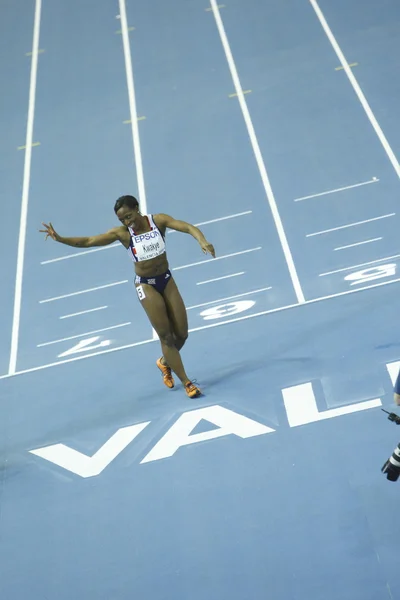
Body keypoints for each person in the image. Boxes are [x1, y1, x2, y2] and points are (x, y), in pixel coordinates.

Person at [40, 195, 216, 398]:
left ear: (137, 208)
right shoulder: (123, 234)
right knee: (166, 337)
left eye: (129, 216)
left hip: (166, 280)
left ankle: (164, 362)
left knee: (182, 335)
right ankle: (187, 383)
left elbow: (187, 227)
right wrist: (60, 239)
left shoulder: (158, 221)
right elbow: (88, 241)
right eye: (123, 220)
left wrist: (202, 240)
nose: (127, 222)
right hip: (146, 285)